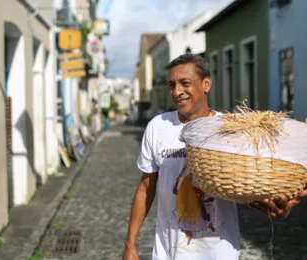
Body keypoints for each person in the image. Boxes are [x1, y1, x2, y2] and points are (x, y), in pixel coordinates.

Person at [122, 54, 307, 260]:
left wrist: (272, 205)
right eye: (172, 85)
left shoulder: (230, 129)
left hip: (219, 253)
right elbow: (145, 188)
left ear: (206, 84)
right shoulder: (158, 127)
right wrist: (130, 244)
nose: (177, 91)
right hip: (169, 252)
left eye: (185, 83)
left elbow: (245, 186)